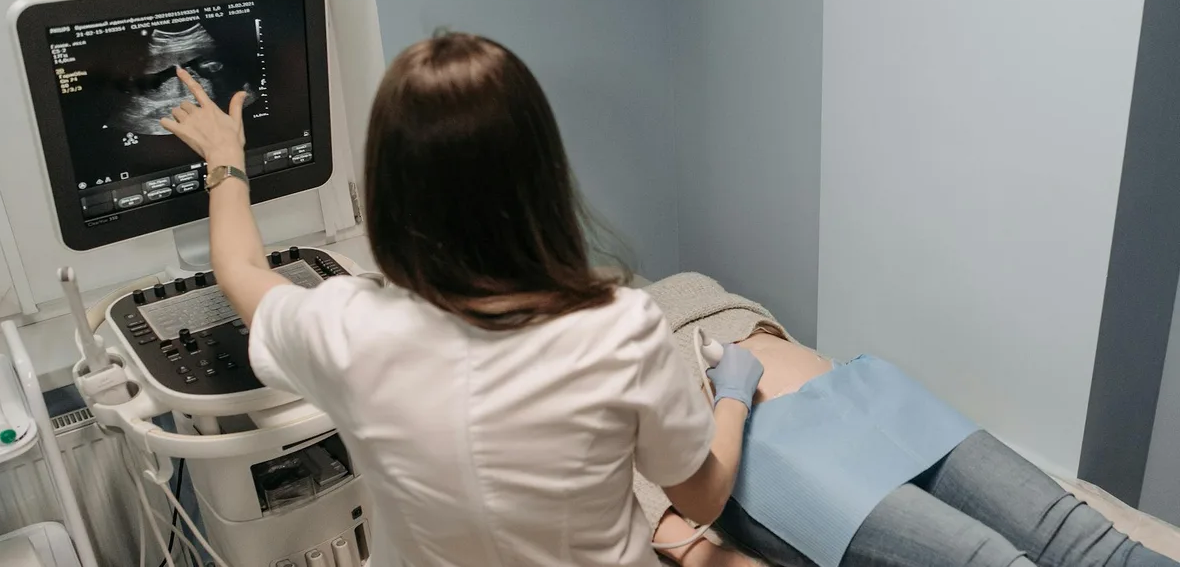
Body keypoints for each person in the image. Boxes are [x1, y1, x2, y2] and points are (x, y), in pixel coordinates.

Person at [157, 32, 767, 566]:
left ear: (389, 193)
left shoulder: (346, 329)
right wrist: (733, 396)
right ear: (543, 181)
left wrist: (226, 160)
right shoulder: (620, 328)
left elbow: (238, 270)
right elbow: (701, 496)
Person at [643, 300, 1180, 567]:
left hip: (864, 391)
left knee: (1084, 538)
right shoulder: (597, 383)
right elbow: (669, 523)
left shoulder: (675, 289)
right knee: (990, 560)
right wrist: (733, 398)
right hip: (766, 453)